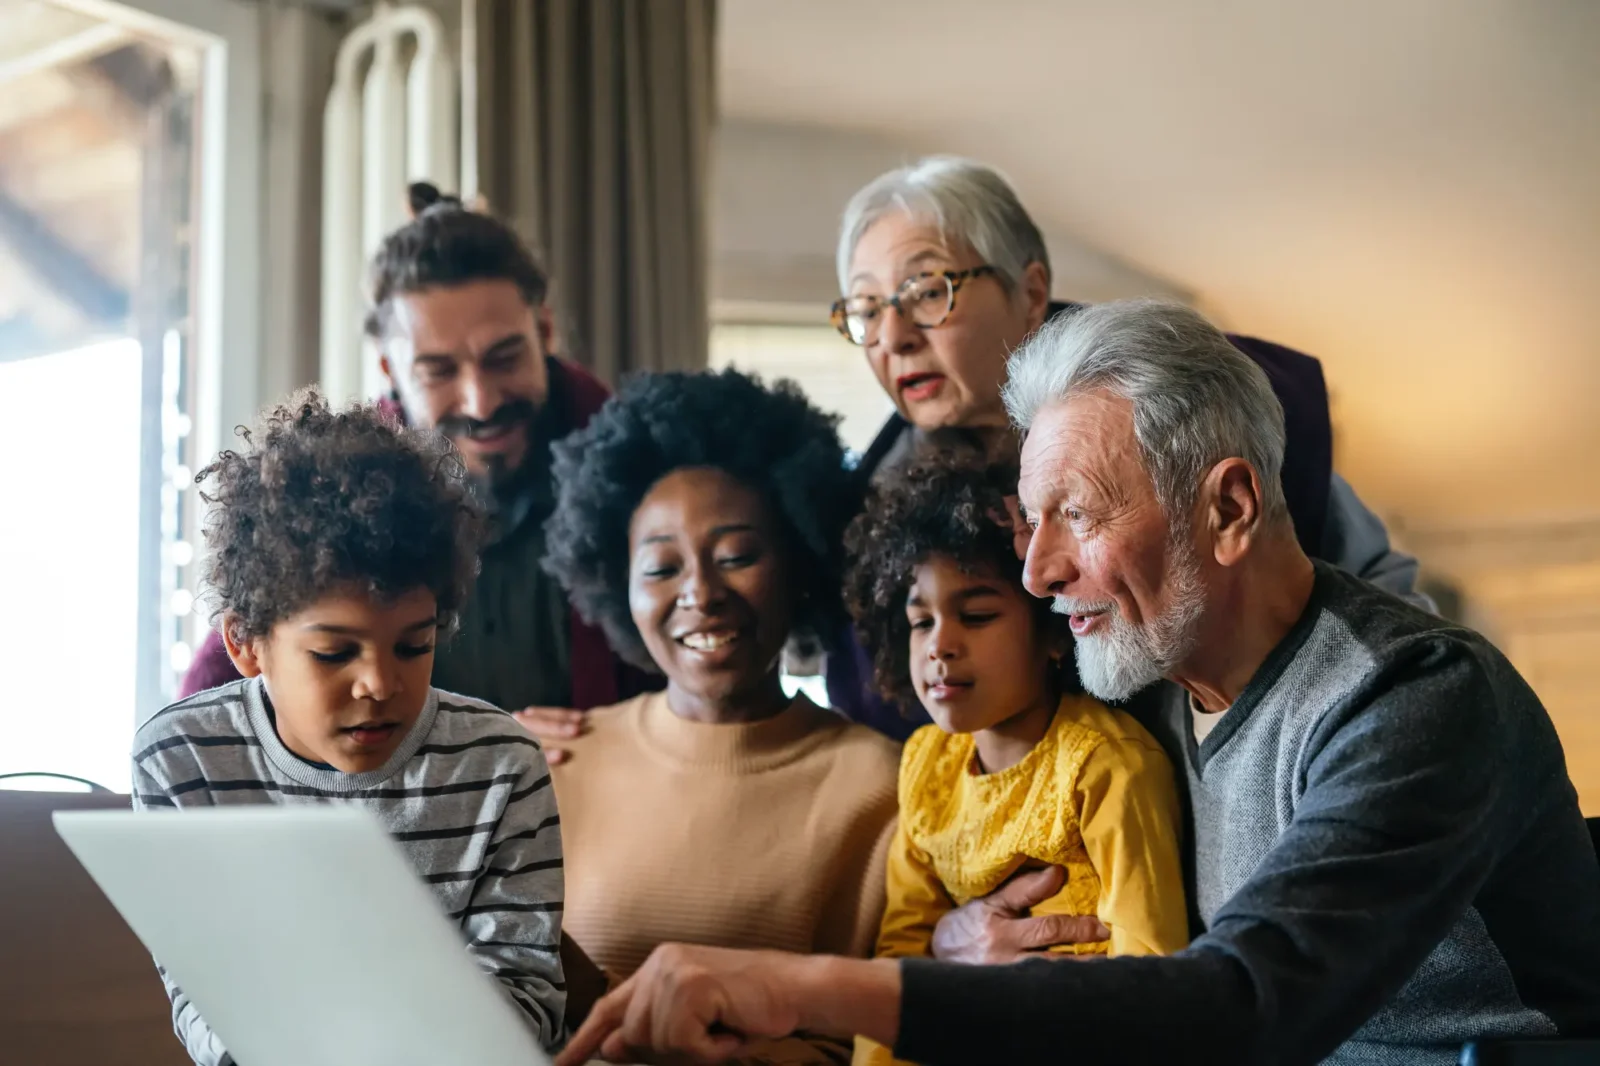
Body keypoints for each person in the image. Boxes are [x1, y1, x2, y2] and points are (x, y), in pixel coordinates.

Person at [557, 300, 1600, 1066]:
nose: (1037, 573)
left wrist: (800, 985)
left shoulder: (1414, 697)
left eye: (1081, 516)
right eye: (1031, 523)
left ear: (1228, 508)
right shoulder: (1137, 684)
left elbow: (1243, 1006)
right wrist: (955, 947)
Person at [824, 156, 1427, 740]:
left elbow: (1388, 607)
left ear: (1030, 290)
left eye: (928, 292)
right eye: (867, 309)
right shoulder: (874, 507)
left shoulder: (1184, 399)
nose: (893, 338)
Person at [132, 391, 565, 1065]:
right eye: (334, 653)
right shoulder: (183, 759)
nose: (380, 684)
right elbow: (204, 995)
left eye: (414, 646)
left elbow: (527, 998)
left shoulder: (501, 765)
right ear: (246, 644)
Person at [178, 184, 656, 738]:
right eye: (438, 372)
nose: (481, 401)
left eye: (504, 358)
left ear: (544, 331)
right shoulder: (335, 492)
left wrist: (611, 736)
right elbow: (204, 711)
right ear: (391, 370)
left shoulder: (642, 477)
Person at [542, 368, 902, 1063]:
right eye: (660, 568)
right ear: (617, 585)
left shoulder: (881, 785)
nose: (700, 593)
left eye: (737, 555)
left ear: (801, 562)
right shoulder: (557, 762)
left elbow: (885, 1044)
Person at [842, 456, 1188, 1066]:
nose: (941, 645)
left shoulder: (1106, 766)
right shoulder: (926, 765)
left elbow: (1151, 970)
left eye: (976, 616)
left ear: (1056, 634)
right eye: (921, 621)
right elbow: (902, 945)